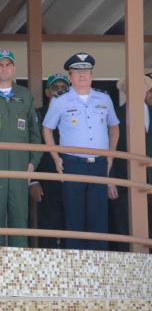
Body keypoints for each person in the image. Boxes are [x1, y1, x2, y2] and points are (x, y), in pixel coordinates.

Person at [42, 53, 119, 251]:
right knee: (74, 217)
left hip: (100, 163)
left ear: (92, 74)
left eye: (86, 71)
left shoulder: (104, 97)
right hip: (73, 163)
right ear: (70, 76)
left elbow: (114, 127)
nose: (82, 75)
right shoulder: (60, 100)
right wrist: (55, 156)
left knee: (98, 217)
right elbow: (47, 129)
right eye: (77, 71)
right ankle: (74, 268)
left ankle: (99, 266)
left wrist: (110, 155)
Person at [0, 50, 42, 247]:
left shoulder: (25, 95)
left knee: (19, 220)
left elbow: (34, 132)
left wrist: (32, 162)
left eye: (8, 64)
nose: (4, 68)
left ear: (13, 69)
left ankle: (19, 268)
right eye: (0, 65)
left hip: (20, 168)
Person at [108, 76, 152, 251]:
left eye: (141, 85)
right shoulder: (115, 115)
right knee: (124, 229)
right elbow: (108, 149)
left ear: (146, 88)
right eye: (132, 85)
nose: (137, 89)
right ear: (124, 90)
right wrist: (110, 181)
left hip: (150, 180)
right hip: (123, 180)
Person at [29, 73, 70, 249]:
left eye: (64, 88)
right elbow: (30, 147)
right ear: (47, 92)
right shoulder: (37, 114)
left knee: (72, 230)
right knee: (48, 233)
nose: (59, 91)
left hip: (73, 181)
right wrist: (33, 180)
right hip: (46, 184)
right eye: (55, 87)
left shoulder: (77, 113)